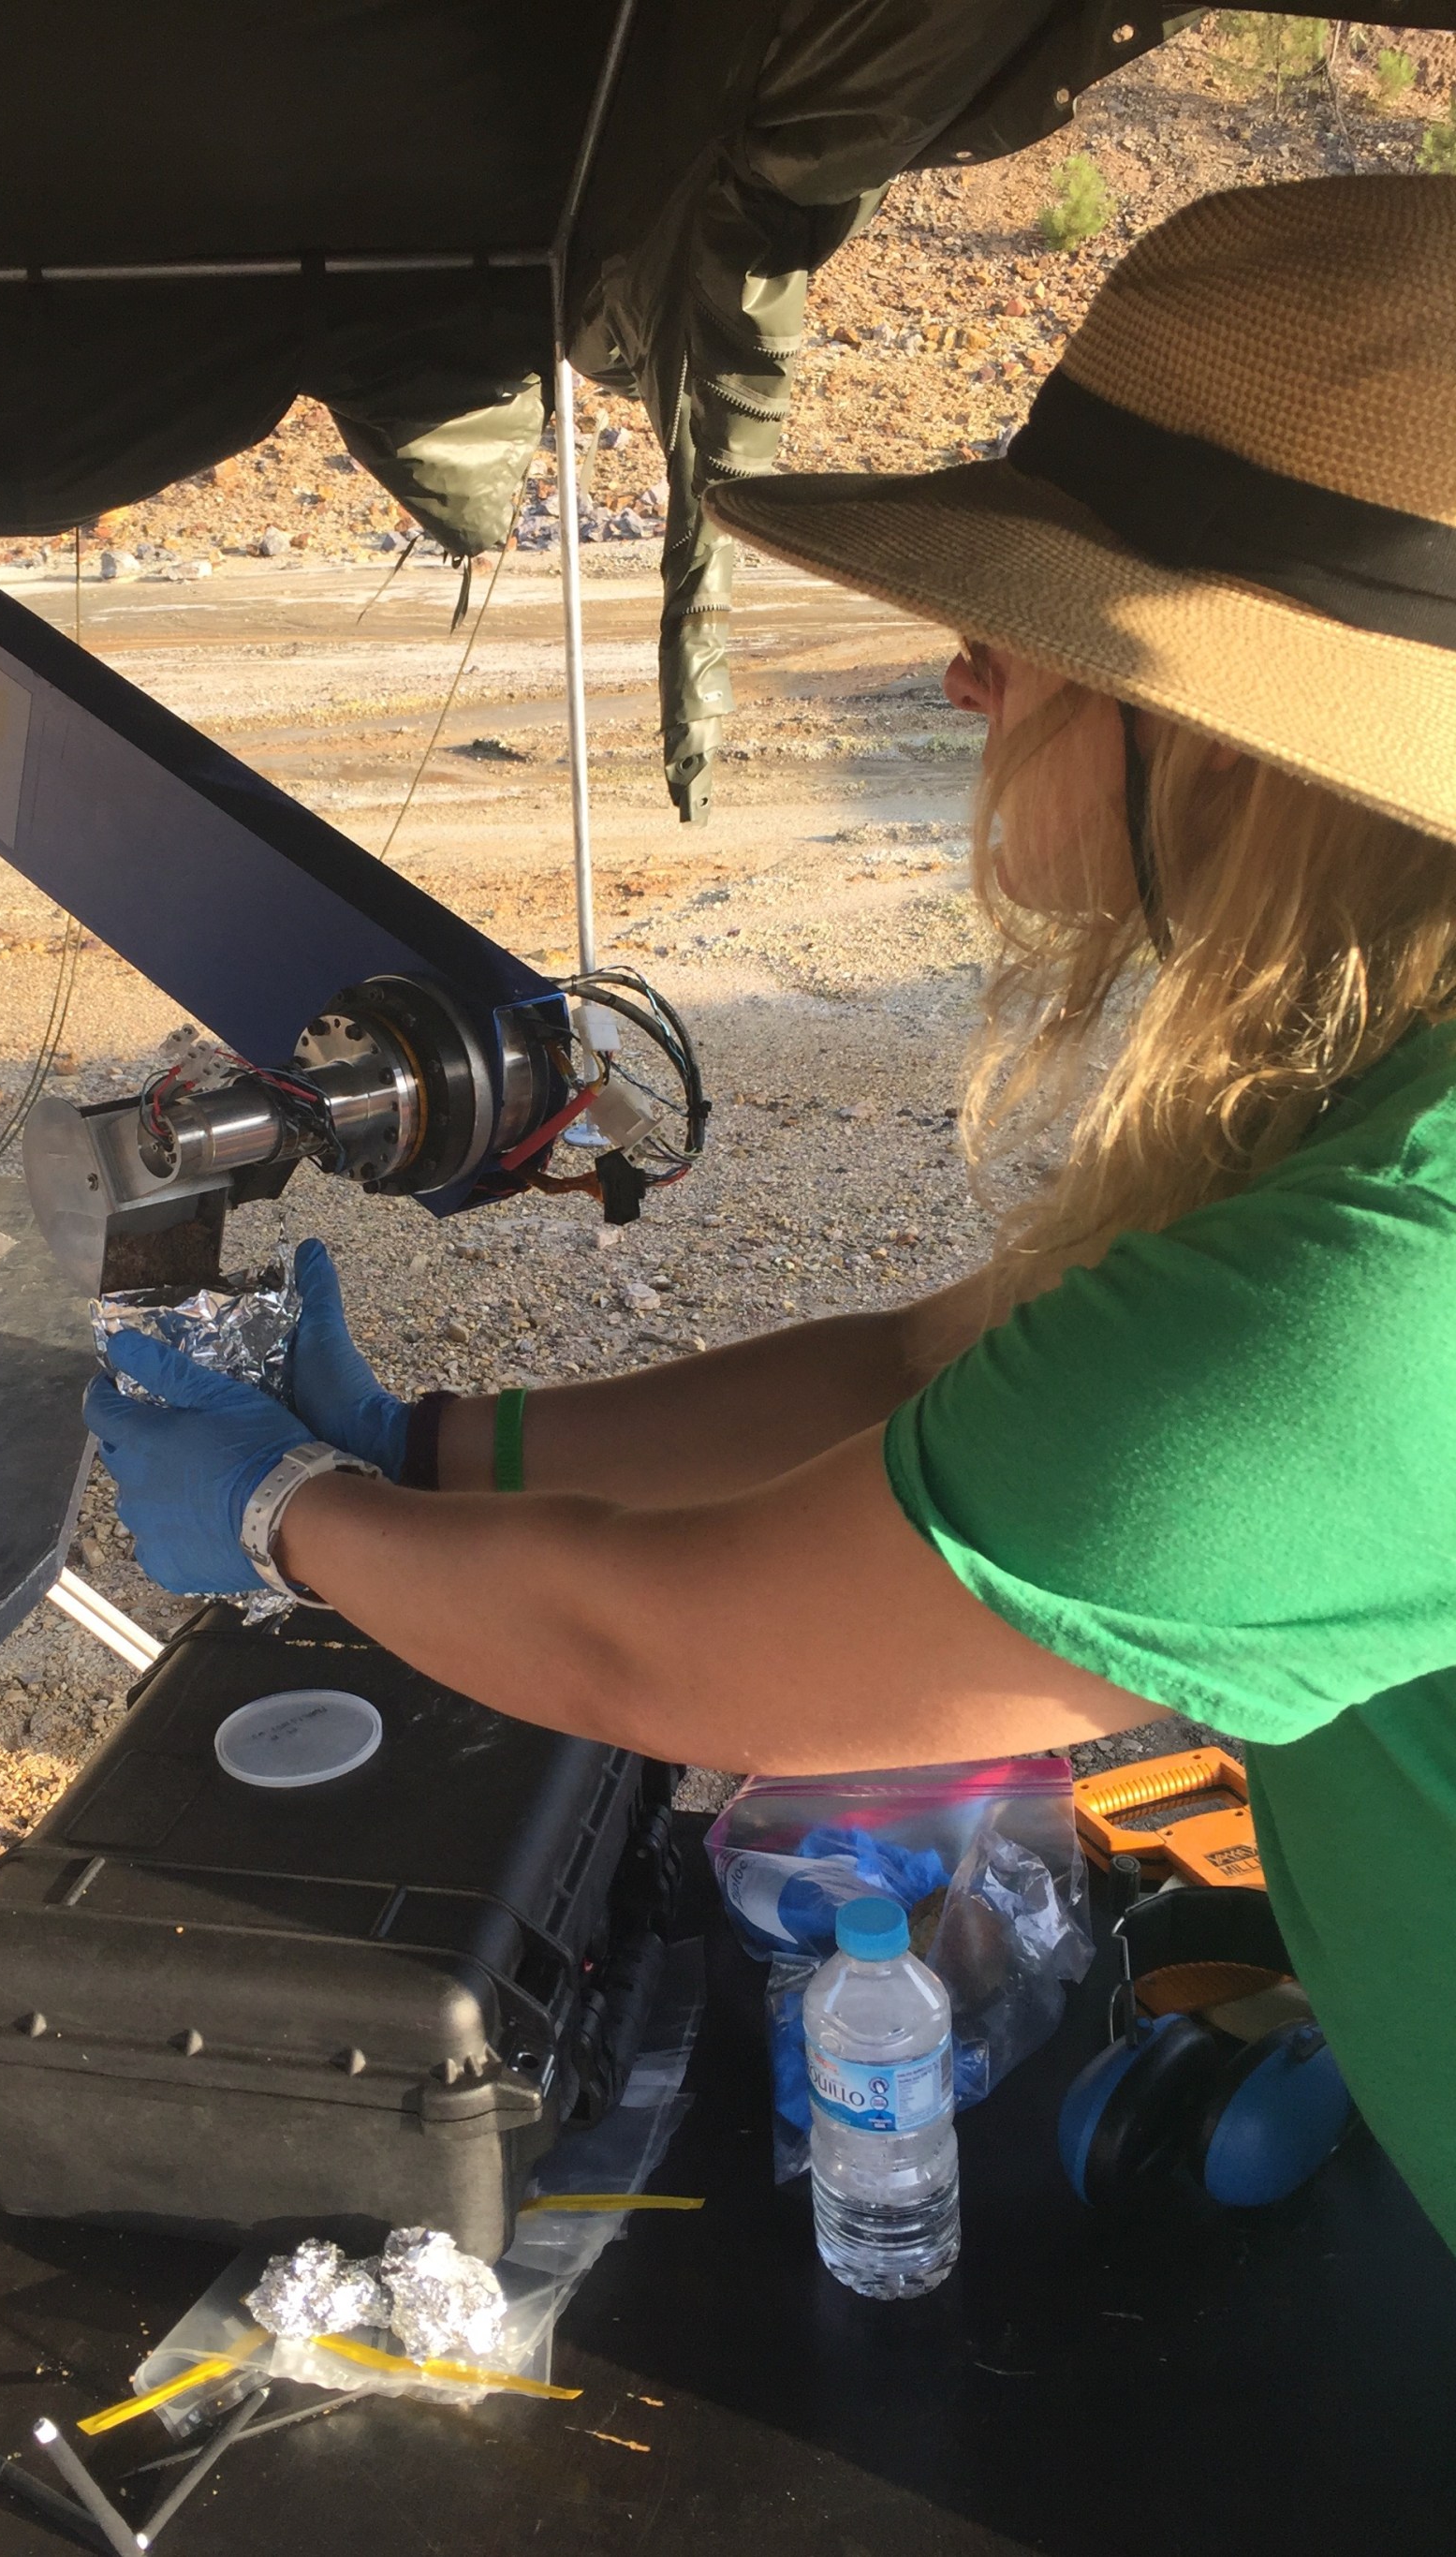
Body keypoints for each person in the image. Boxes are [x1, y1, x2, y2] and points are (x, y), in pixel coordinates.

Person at [86, 176, 1456, 2246]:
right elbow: (929, 1364)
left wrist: (292, 1517)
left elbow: (668, 1648)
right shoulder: (1383, 1077)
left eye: (1027, 636)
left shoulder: (1384, 1299)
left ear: (1238, 748)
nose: (962, 691)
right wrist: (428, 1449)